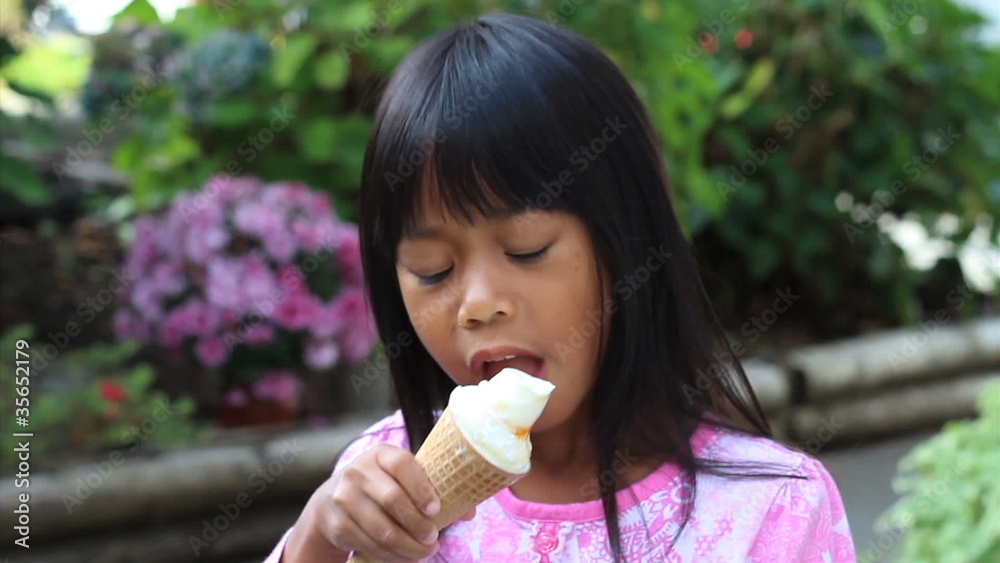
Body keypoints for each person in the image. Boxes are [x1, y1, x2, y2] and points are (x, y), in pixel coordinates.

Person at [266, 12, 855, 563]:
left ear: (626, 241)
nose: (477, 304)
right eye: (432, 270)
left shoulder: (771, 509)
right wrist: (318, 538)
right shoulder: (386, 482)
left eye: (527, 250)